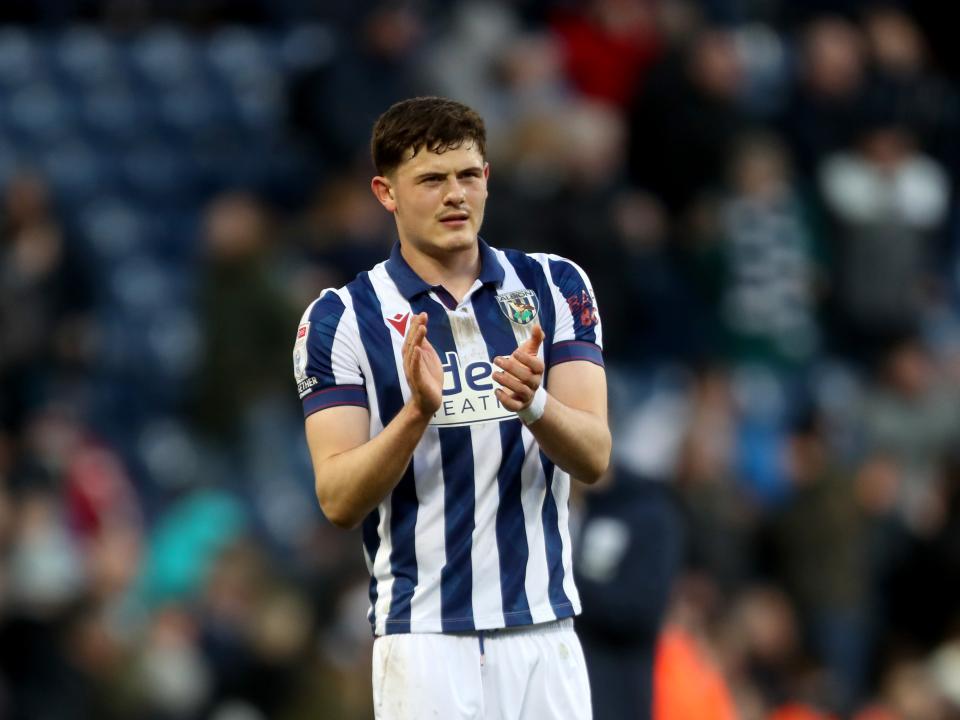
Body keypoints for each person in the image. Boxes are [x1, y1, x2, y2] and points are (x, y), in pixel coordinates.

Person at [292, 96, 610, 719]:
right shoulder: (340, 318)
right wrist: (416, 414)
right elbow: (337, 499)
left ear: (487, 178)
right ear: (385, 193)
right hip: (423, 638)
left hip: (543, 629)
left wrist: (535, 405)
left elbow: (595, 456)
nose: (455, 195)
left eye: (468, 175)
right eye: (432, 180)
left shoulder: (555, 285)